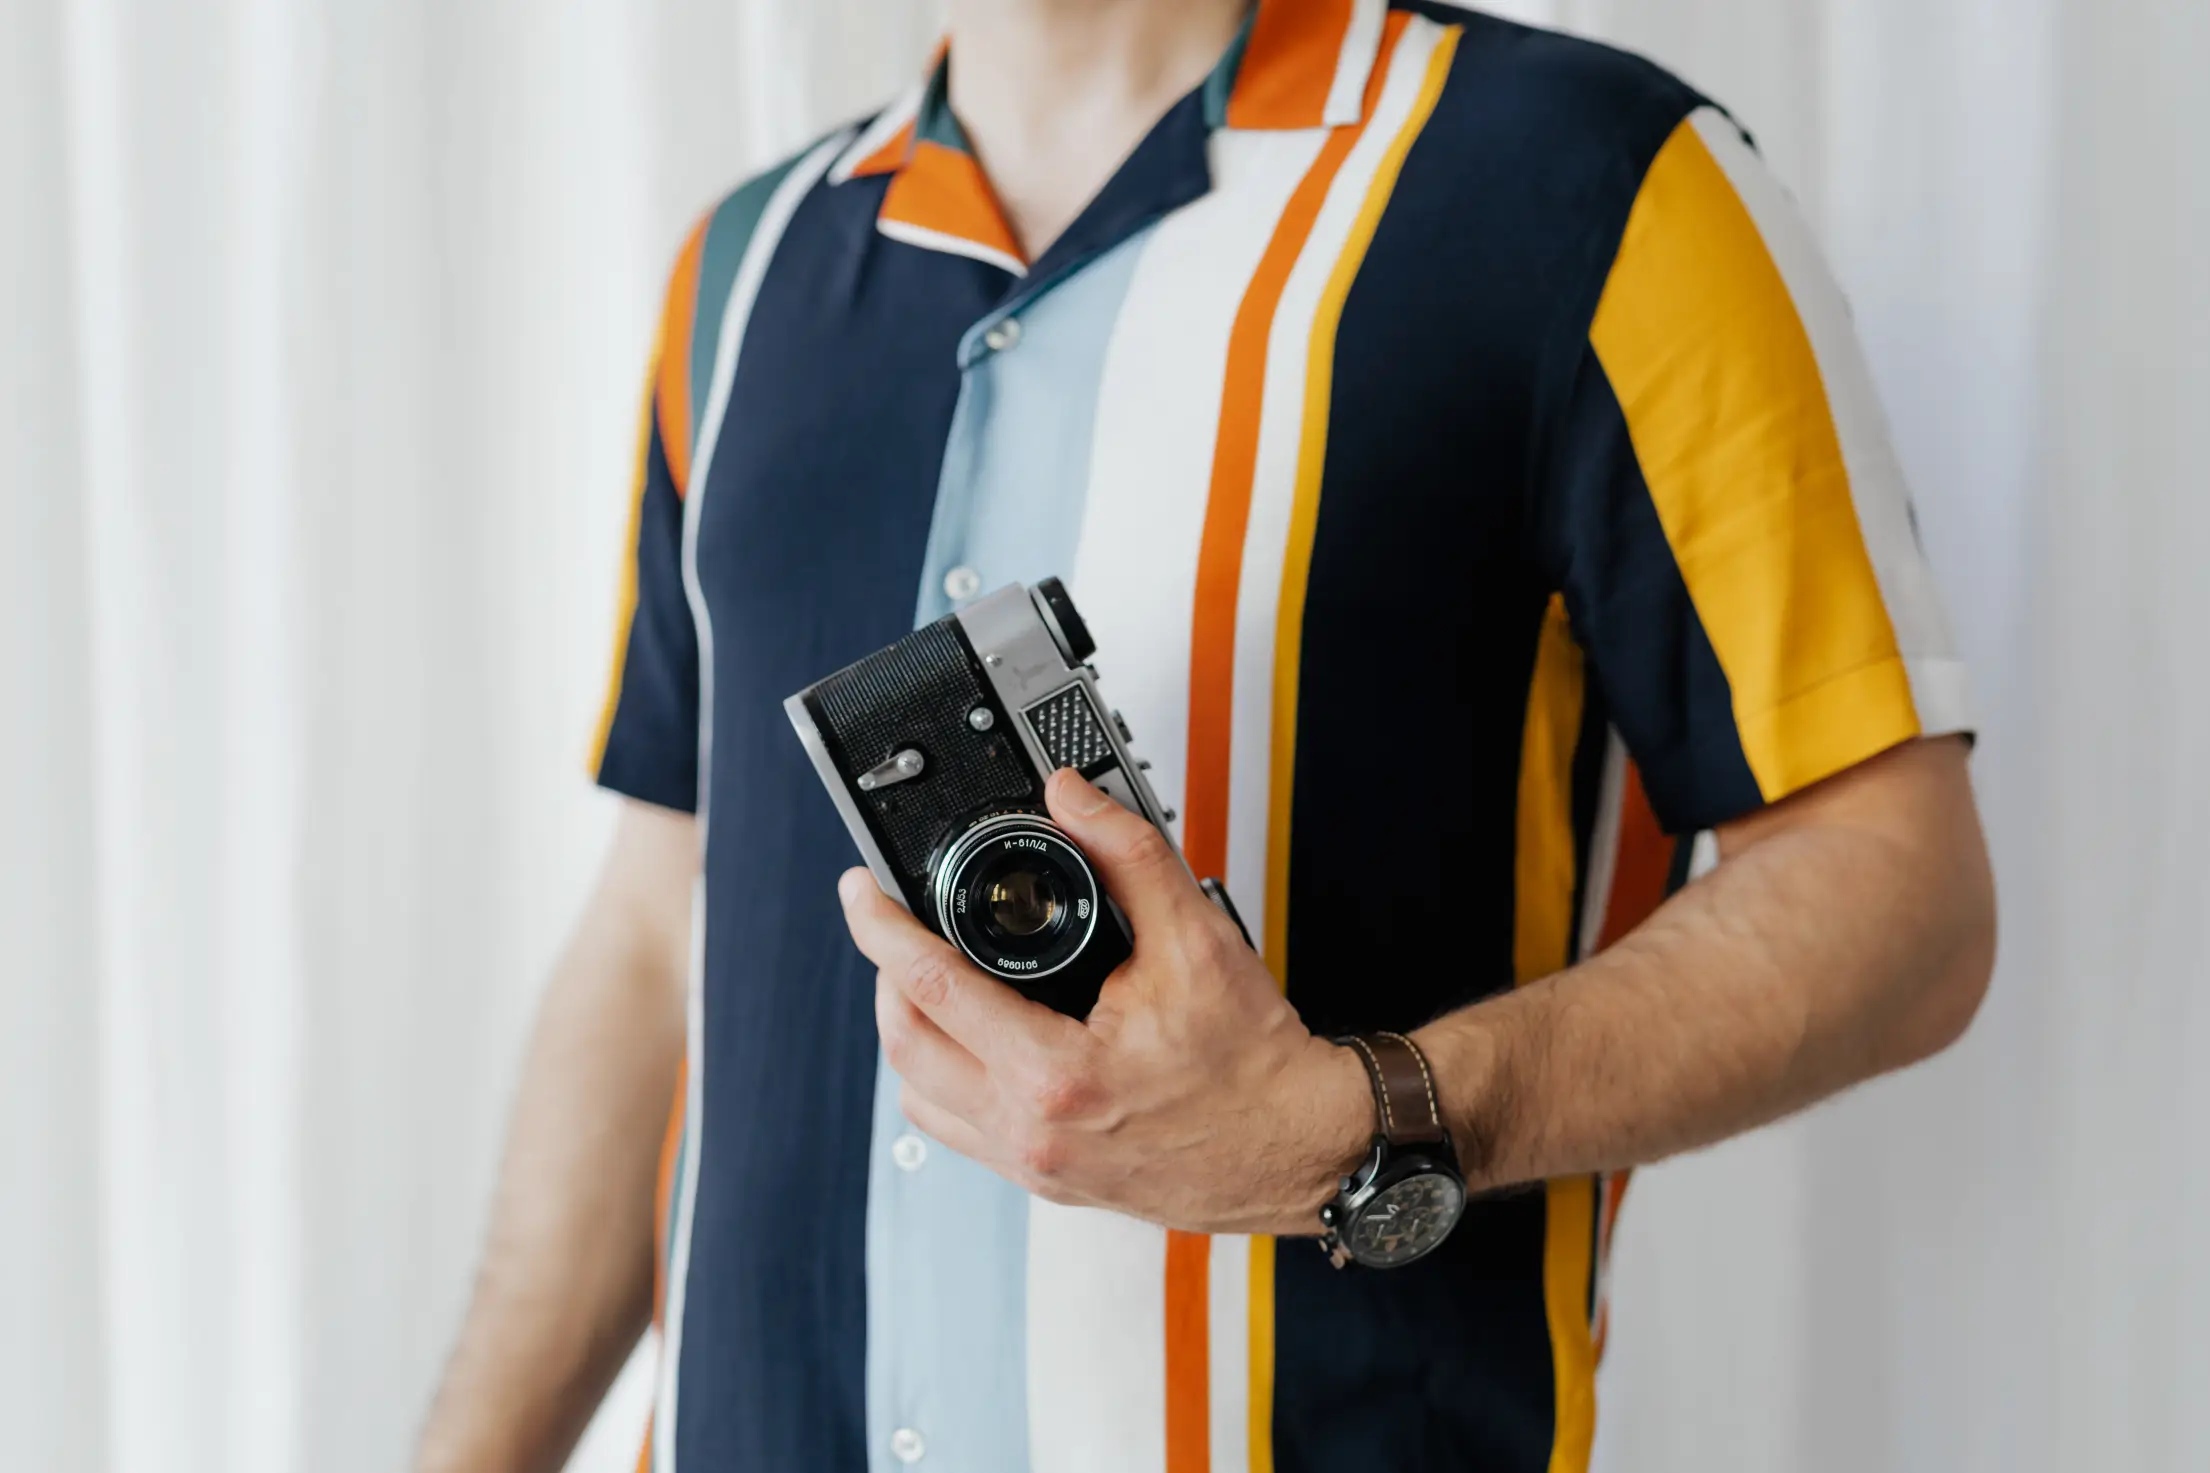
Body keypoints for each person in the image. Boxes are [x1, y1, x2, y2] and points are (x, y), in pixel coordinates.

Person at [415, 1, 1996, 1470]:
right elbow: (655, 930)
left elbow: (1895, 885)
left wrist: (1352, 1123)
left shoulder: (1589, 186)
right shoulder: (741, 276)